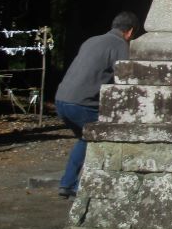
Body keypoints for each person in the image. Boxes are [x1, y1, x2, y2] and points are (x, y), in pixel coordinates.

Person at [54, 11, 139, 198]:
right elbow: (125, 78)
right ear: (130, 32)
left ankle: (68, 183)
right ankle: (93, 184)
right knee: (108, 134)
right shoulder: (120, 45)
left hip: (61, 100)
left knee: (85, 138)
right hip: (82, 104)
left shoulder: (92, 40)